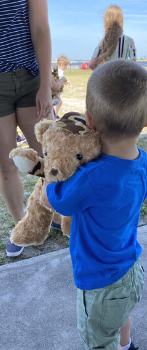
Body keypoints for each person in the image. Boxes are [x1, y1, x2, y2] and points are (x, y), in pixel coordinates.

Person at [40, 59, 147, 350]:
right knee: (121, 316)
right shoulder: (142, 161)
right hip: (131, 270)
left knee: (98, 339)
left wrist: (48, 174)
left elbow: (59, 201)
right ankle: (127, 346)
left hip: (101, 283)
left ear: (89, 120)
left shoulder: (91, 178)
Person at [1, 0, 55, 257]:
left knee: (53, 156)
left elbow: (40, 28)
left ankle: (57, 213)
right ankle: (23, 225)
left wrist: (46, 84)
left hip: (30, 76)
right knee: (5, 164)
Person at [89, 5, 136, 71]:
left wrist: (103, 74)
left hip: (106, 80)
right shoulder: (129, 40)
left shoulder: (103, 42)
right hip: (122, 79)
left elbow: (91, 64)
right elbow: (134, 65)